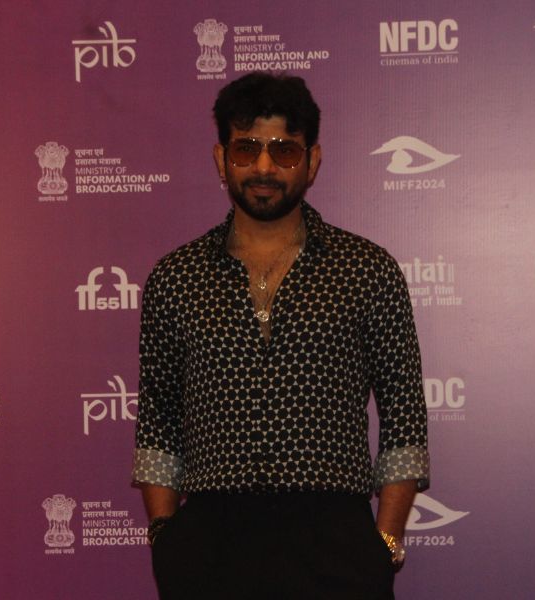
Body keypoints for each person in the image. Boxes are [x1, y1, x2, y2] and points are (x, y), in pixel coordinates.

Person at [133, 72, 429, 600]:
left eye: (284, 151)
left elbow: (403, 416)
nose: (264, 167)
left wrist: (384, 540)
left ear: (312, 162)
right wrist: (165, 537)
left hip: (335, 540)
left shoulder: (367, 271)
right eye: (246, 149)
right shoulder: (175, 278)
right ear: (221, 159)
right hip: (210, 544)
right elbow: (158, 419)